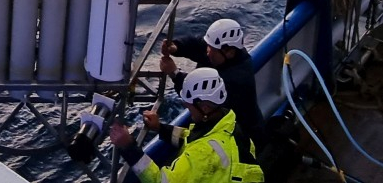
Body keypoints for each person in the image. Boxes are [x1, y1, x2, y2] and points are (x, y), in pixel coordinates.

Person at [110, 68, 264, 183]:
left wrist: (129, 147)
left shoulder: (204, 152)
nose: (186, 107)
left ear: (204, 107)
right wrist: (160, 128)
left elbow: (160, 181)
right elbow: (193, 138)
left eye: (189, 105)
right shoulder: (229, 125)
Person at [162, 18, 267, 150]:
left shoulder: (235, 80)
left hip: (241, 144)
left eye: (212, 49)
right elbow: (198, 44)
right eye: (208, 47)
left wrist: (175, 74)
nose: (207, 52)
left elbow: (200, 94)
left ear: (229, 52)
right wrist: (176, 47)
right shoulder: (228, 55)